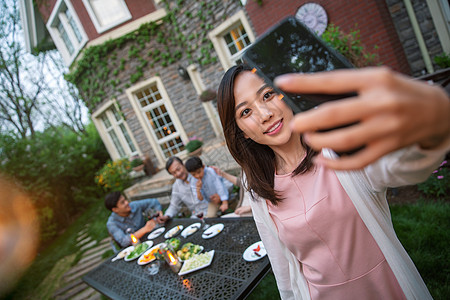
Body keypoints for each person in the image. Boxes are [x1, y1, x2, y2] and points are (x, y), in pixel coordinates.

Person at [217, 65, 449, 299]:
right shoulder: (257, 185)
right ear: (242, 131)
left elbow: (402, 165)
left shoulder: (338, 147)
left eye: (267, 95)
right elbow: (283, 270)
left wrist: (429, 129)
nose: (265, 114)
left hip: (388, 288)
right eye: (245, 112)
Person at [157, 156, 209, 222]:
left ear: (183, 165)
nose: (178, 174)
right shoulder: (176, 186)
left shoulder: (198, 173)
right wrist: (166, 216)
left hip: (212, 210)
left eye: (178, 169)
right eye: (174, 173)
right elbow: (174, 206)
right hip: (196, 217)